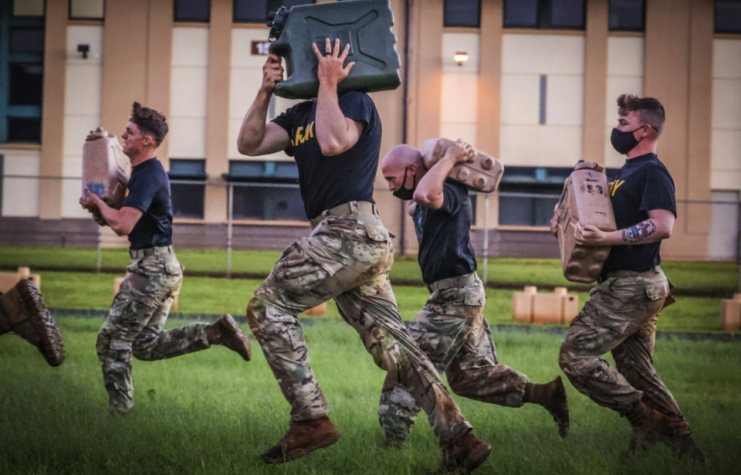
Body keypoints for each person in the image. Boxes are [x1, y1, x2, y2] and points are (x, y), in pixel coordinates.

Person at [237, 39, 490, 472]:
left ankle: (310, 418)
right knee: (395, 350)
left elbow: (335, 141)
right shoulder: (299, 115)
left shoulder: (355, 101)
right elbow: (250, 143)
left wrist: (331, 82)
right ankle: (460, 438)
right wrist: (264, 90)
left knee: (267, 305)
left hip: (348, 231)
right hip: (350, 240)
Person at [378, 140, 569, 447]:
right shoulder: (425, 199)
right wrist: (435, 158)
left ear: (412, 170)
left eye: (391, 178)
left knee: (408, 366)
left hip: (455, 297)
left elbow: (424, 192)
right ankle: (545, 394)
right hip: (459, 294)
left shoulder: (450, 193)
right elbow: (416, 199)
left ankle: (392, 445)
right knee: (469, 377)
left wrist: (451, 156)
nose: (389, 187)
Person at [551, 94, 702, 459]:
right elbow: (601, 215)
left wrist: (606, 238)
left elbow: (662, 225)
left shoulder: (652, 170)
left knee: (574, 356)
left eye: (624, 124)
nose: (616, 130)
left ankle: (645, 419)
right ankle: (686, 448)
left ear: (645, 130)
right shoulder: (624, 172)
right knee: (638, 372)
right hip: (630, 284)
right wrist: (568, 211)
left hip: (633, 285)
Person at [80, 102, 251, 413]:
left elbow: (123, 225)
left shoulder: (147, 176)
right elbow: (119, 218)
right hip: (162, 267)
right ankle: (213, 333)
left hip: (152, 270)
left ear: (147, 140)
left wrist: (98, 204)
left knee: (112, 342)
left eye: (129, 132)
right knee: (143, 345)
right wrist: (98, 206)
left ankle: (119, 416)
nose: (123, 136)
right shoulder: (141, 174)